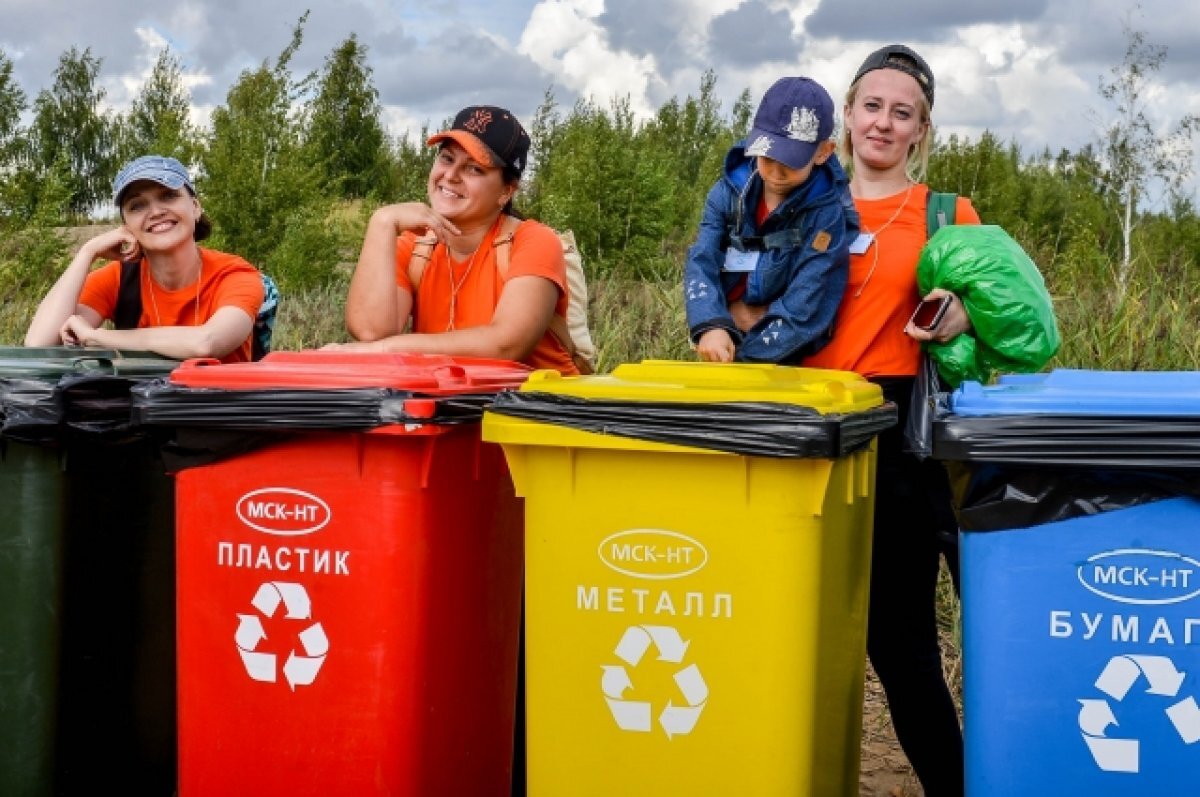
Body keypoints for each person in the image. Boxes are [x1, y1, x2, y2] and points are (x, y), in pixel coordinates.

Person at [731, 45, 979, 797]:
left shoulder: (948, 214)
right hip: (801, 427)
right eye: (873, 105)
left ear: (920, 130)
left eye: (902, 112)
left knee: (902, 649)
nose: (884, 121)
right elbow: (732, 290)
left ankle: (959, 784)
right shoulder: (783, 198)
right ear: (844, 115)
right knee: (782, 630)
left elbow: (997, 317)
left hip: (899, 434)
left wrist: (963, 311)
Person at [329, 105, 578, 375]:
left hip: (536, 411)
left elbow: (506, 345)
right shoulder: (414, 247)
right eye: (447, 158)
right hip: (453, 411)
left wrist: (387, 349)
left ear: (506, 191)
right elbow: (370, 331)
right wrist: (382, 223)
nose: (450, 175)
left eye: (474, 169)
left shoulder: (533, 241)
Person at [684, 76, 857, 364]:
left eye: (791, 161)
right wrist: (711, 324)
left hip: (785, 351)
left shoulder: (827, 216)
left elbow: (806, 303)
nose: (776, 172)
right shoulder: (726, 192)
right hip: (725, 335)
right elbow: (702, 260)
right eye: (767, 157)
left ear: (824, 152)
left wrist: (744, 358)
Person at [25, 155, 264, 363]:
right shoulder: (119, 278)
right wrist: (87, 252)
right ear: (126, 225)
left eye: (168, 196)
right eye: (137, 206)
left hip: (223, 410)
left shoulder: (234, 274)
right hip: (144, 411)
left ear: (195, 207)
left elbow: (207, 342)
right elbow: (39, 344)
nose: (156, 212)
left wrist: (97, 337)